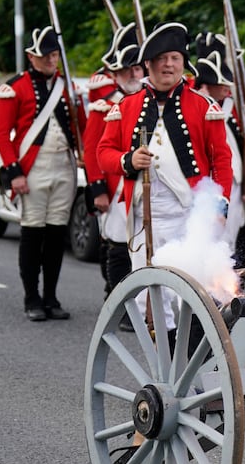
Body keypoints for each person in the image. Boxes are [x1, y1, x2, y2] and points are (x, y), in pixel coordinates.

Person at [97, 21, 233, 324]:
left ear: (183, 64)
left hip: (189, 213)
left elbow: (221, 162)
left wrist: (217, 206)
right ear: (148, 64)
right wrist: (128, 160)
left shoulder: (202, 106)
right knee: (151, 297)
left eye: (174, 58)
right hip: (144, 216)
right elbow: (103, 154)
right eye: (161, 59)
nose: (168, 65)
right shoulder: (126, 106)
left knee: (191, 292)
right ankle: (167, 356)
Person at [0, 26, 83, 321]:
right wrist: (15, 172)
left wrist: (79, 102)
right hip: (32, 170)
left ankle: (51, 297)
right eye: (45, 55)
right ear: (32, 56)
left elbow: (80, 128)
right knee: (32, 234)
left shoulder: (66, 85)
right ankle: (32, 297)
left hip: (63, 167)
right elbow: (2, 136)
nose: (51, 60)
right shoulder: (15, 87)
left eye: (54, 55)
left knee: (57, 235)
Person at [192, 32, 245, 270]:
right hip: (203, 183)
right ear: (206, 84)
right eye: (221, 83)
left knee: (229, 240)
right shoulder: (194, 106)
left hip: (232, 183)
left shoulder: (235, 107)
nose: (227, 88)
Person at [82, 22, 143, 300]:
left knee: (138, 246)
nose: (133, 73)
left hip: (143, 185)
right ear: (116, 73)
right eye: (126, 69)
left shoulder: (149, 102)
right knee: (117, 243)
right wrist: (98, 189)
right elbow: (93, 150)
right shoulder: (105, 106)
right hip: (116, 185)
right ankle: (116, 298)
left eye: (137, 67)